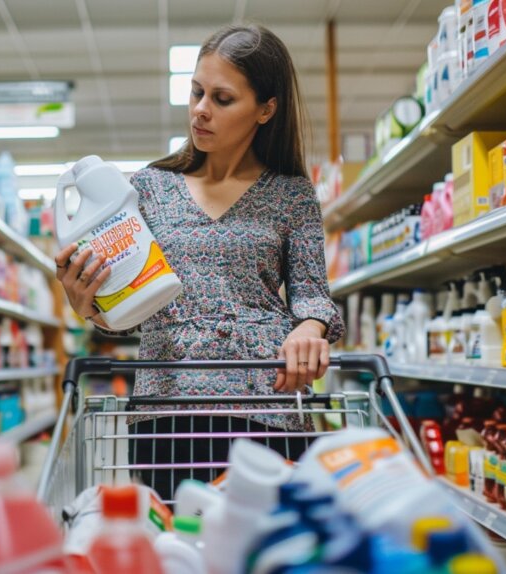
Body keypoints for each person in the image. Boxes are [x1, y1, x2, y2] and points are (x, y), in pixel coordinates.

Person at [54, 23, 344, 501]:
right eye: (196, 93)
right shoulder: (148, 187)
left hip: (265, 404)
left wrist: (310, 327)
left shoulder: (292, 195)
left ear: (266, 110)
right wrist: (87, 303)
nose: (200, 111)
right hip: (167, 406)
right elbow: (124, 309)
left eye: (222, 99)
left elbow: (312, 293)